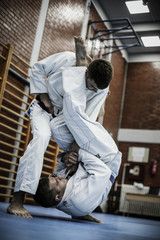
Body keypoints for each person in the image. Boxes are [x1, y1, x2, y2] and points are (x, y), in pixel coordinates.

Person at [7, 36, 114, 218]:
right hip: (44, 110)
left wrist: (75, 149)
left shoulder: (100, 89)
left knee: (78, 154)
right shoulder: (67, 58)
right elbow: (38, 69)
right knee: (41, 138)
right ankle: (17, 200)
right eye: (92, 86)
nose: (94, 91)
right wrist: (44, 97)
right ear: (88, 72)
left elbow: (87, 117)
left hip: (67, 118)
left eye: (98, 89)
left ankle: (77, 208)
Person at [33, 73, 122, 223]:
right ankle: (101, 88)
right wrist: (78, 153)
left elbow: (61, 166)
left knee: (56, 127)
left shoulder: (58, 193)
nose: (58, 177)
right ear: (58, 196)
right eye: (57, 181)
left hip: (89, 157)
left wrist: (66, 158)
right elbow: (103, 172)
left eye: (53, 177)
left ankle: (97, 96)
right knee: (73, 115)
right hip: (107, 157)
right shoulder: (80, 199)